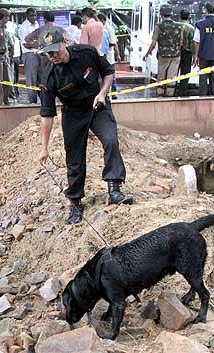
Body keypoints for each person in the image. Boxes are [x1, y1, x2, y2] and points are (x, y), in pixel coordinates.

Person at [38, 27, 133, 225]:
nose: (53, 56)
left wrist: (102, 94)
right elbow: (47, 115)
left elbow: (108, 72)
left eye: (56, 50)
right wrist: (43, 148)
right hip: (73, 114)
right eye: (49, 53)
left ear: (65, 42)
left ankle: (114, 189)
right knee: (74, 158)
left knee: (110, 140)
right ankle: (75, 202)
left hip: (97, 106)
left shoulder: (86, 53)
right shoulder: (48, 77)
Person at [143, 4, 182, 97]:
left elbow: (153, 43)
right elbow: (181, 42)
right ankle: (170, 95)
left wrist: (147, 54)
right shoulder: (178, 26)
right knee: (172, 77)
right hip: (176, 56)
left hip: (163, 56)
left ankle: (160, 96)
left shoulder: (159, 26)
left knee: (161, 77)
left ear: (161, 14)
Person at [193, 3, 214, 96]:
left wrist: (196, 56)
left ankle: (203, 97)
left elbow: (197, 42)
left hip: (203, 56)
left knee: (203, 78)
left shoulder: (200, 24)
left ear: (205, 10)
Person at [18, 8, 40, 103]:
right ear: (27, 16)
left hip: (38, 53)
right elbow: (26, 44)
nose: (34, 17)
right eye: (31, 15)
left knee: (39, 78)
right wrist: (37, 44)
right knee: (31, 79)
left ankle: (42, 99)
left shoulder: (37, 24)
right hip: (29, 54)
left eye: (35, 15)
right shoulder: (23, 27)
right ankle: (32, 101)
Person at [97, 13, 121, 96]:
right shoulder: (101, 28)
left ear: (103, 20)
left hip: (108, 55)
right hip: (103, 56)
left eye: (98, 20)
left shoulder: (109, 29)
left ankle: (113, 93)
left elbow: (113, 43)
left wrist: (117, 55)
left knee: (111, 75)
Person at [177, 9, 195, 97]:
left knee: (174, 72)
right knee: (185, 73)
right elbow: (193, 43)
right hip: (187, 53)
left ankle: (172, 91)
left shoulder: (175, 26)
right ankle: (182, 92)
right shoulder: (191, 28)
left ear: (179, 16)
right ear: (188, 17)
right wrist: (194, 55)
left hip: (175, 53)